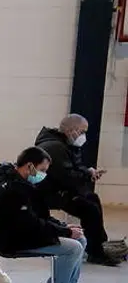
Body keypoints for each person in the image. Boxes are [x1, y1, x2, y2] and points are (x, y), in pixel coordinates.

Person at [0, 147, 95, 283]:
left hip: (26, 233)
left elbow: (39, 216)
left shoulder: (22, 184)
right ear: (29, 166)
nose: (44, 174)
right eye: (42, 170)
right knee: (73, 248)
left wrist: (63, 227)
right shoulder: (11, 190)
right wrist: (65, 232)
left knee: (81, 239)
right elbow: (30, 224)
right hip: (15, 241)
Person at [34, 114, 126, 266]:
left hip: (60, 189)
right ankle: (96, 253)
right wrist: (86, 175)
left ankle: (98, 244)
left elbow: (73, 168)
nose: (84, 136)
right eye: (83, 131)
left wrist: (88, 172)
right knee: (89, 209)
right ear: (72, 130)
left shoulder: (63, 144)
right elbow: (66, 176)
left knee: (92, 198)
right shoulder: (55, 147)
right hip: (49, 193)